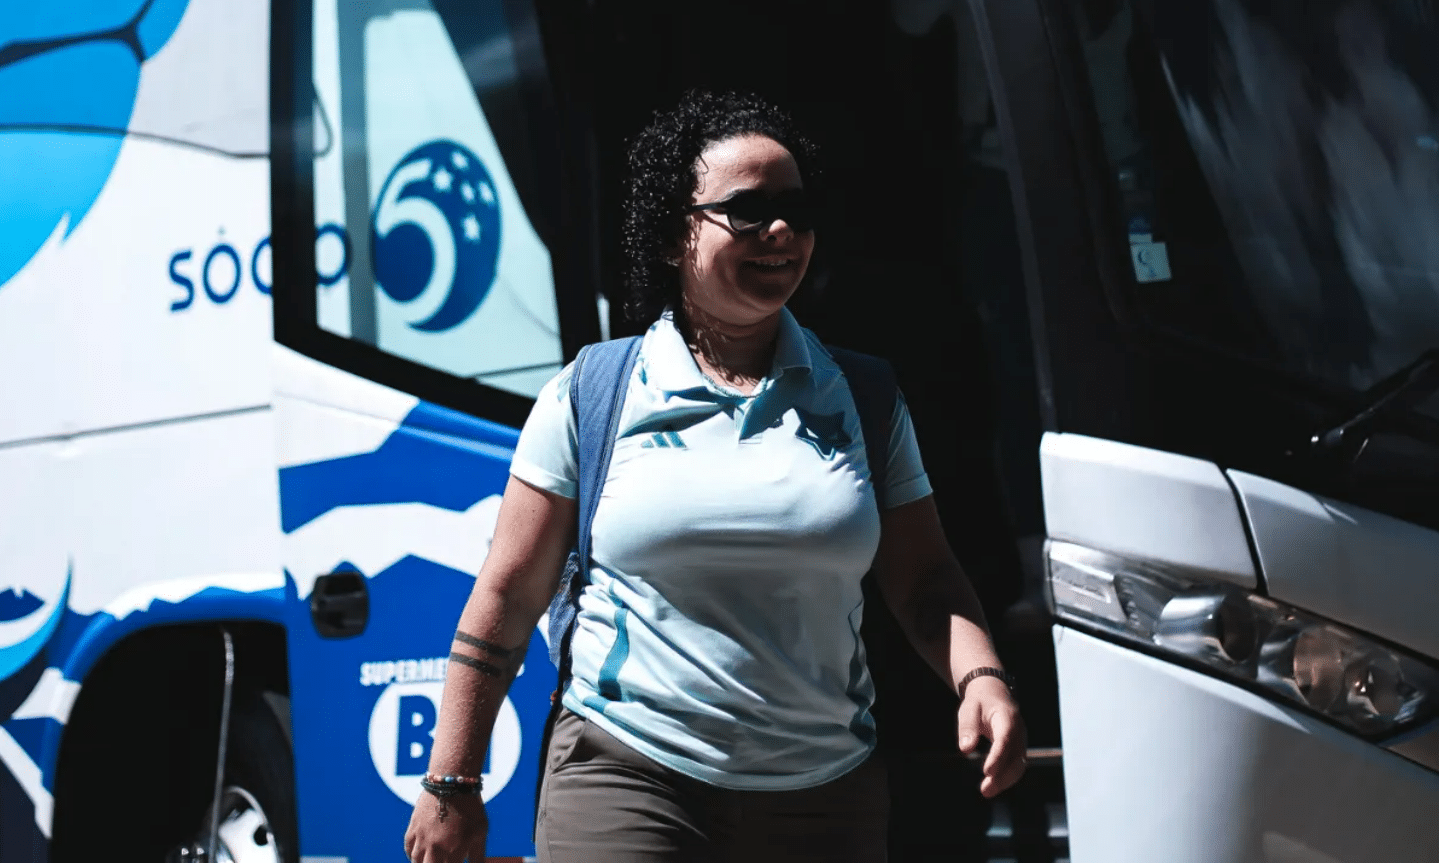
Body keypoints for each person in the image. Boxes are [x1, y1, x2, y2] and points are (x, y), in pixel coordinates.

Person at [403, 89, 1026, 863]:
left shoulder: (863, 395)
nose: (780, 232)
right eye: (747, 209)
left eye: (796, 211)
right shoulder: (593, 391)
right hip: (627, 777)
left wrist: (981, 678)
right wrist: (450, 781)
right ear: (673, 236)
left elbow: (925, 578)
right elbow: (508, 591)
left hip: (826, 795)